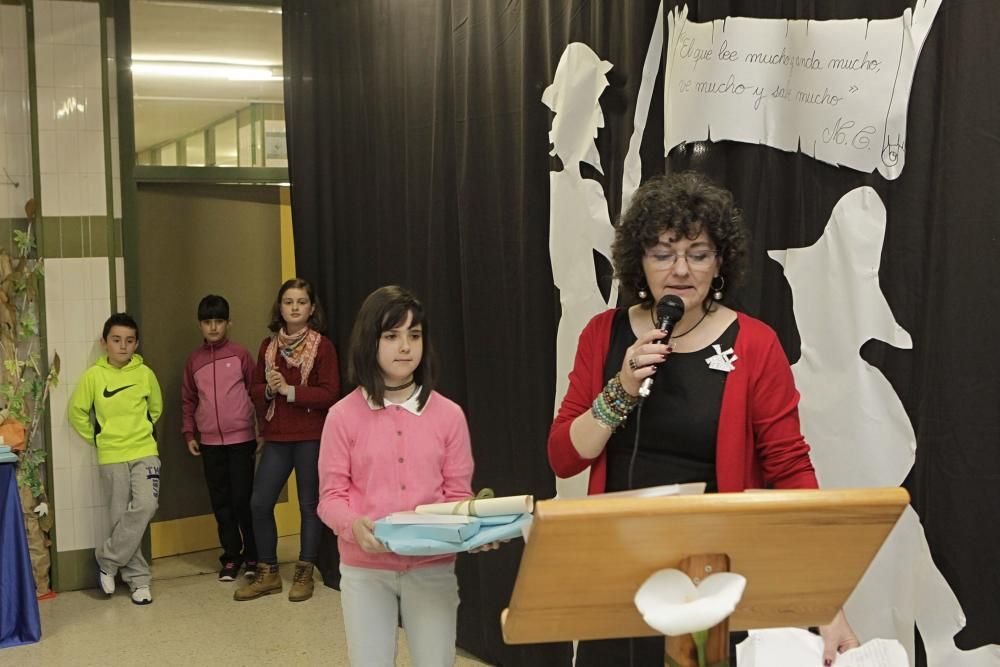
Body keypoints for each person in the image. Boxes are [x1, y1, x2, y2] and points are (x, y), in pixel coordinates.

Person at [547, 172, 859, 666]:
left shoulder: (755, 345)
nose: (680, 270)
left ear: (720, 263)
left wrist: (825, 597)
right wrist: (622, 387)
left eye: (698, 253)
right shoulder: (602, 335)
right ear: (639, 263)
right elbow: (564, 458)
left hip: (713, 576)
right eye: (663, 253)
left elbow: (791, 472)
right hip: (621, 567)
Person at [318, 285, 486, 667]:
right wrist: (352, 525)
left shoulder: (449, 415)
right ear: (370, 341)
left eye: (414, 335)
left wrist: (477, 530)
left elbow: (457, 496)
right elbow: (330, 497)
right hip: (365, 569)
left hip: (432, 566)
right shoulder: (342, 416)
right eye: (391, 336)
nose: (405, 346)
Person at [235, 278, 339, 602]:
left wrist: (289, 391)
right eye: (288, 302)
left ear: (311, 309)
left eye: (301, 302)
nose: (294, 307)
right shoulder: (268, 347)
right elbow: (254, 390)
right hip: (277, 437)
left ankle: (305, 571)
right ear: (279, 308)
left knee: (309, 506)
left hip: (310, 437)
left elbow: (330, 392)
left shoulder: (323, 346)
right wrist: (268, 389)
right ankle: (268, 572)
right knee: (259, 502)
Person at [68, 313, 162, 606]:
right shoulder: (93, 377)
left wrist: (140, 431)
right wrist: (99, 438)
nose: (123, 346)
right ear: (104, 343)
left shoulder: (145, 374)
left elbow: (155, 408)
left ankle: (107, 561)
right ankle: (139, 581)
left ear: (137, 344)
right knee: (120, 517)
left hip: (144, 451)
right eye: (116, 340)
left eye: (129, 341)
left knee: (146, 505)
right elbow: (77, 413)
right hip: (111, 455)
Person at [181, 294, 258, 582]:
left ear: (228, 323)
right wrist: (190, 432)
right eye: (207, 322)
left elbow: (255, 392)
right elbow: (188, 400)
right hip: (210, 443)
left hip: (242, 441)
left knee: (243, 500)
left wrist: (260, 430)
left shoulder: (240, 355)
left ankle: (253, 555)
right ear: (200, 325)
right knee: (221, 502)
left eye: (219, 321)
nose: (213, 327)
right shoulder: (194, 361)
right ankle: (231, 557)